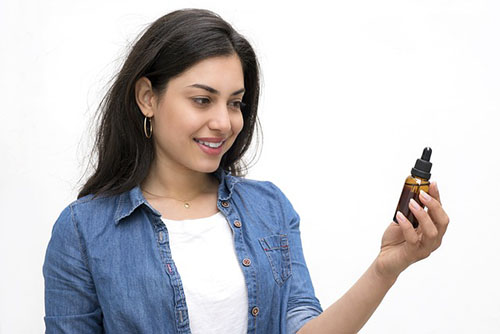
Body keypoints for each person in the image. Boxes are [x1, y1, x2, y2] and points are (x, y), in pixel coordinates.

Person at [42, 8, 450, 334]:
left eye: (235, 102)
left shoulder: (268, 207)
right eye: (203, 100)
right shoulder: (84, 230)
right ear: (148, 97)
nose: (224, 122)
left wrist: (385, 268)